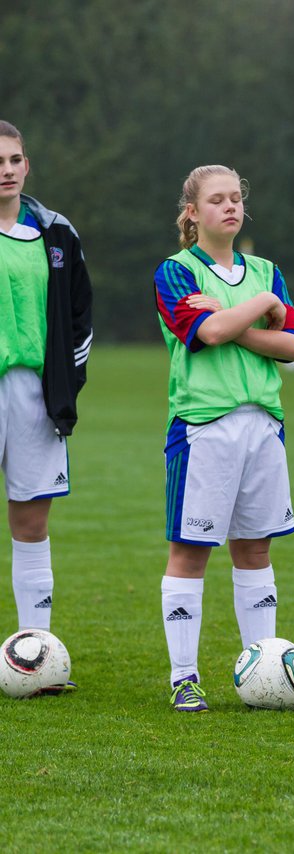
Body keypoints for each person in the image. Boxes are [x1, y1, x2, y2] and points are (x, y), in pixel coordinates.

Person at [153, 165, 294, 711]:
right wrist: (262, 309)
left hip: (263, 425)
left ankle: (260, 670)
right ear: (192, 213)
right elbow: (207, 333)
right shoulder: (175, 272)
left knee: (255, 548)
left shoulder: (265, 270)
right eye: (217, 200)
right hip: (203, 428)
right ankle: (184, 678)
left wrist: (243, 312)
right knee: (191, 551)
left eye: (237, 198)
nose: (231, 207)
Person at [0, 121, 93, 681]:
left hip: (35, 394)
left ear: (26, 166)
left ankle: (35, 652)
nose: (4, 170)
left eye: (13, 160)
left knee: (31, 520)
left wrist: (67, 383)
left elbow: (80, 313)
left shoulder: (56, 232)